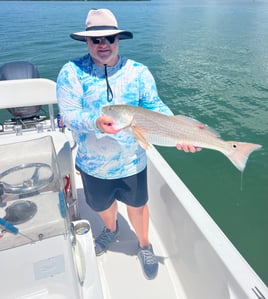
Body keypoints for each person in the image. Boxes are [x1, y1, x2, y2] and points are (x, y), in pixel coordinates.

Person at [56, 8, 201, 280]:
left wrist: (180, 131)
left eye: (109, 39)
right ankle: (110, 229)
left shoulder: (138, 72)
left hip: (132, 160)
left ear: (118, 39)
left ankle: (144, 245)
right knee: (102, 207)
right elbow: (69, 115)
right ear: (86, 41)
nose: (103, 45)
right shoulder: (71, 72)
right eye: (95, 40)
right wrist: (95, 122)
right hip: (91, 163)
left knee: (138, 206)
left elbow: (154, 106)